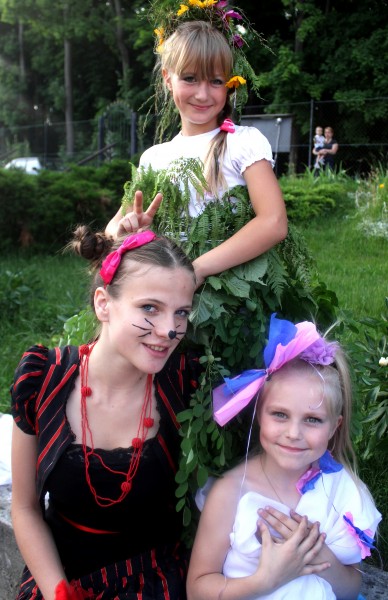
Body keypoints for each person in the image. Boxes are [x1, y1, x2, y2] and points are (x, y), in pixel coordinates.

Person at [10, 228, 202, 599]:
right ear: (103, 304)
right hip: (61, 578)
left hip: (157, 583)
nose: (168, 330)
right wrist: (58, 592)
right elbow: (24, 507)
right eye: (150, 308)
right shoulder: (43, 380)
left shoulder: (186, 382)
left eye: (181, 313)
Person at [187, 314, 381, 600]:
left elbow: (351, 589)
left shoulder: (343, 491)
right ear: (259, 415)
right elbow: (197, 590)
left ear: (334, 427)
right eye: (280, 414)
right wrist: (267, 579)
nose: (293, 433)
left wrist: (317, 555)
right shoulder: (231, 493)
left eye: (313, 420)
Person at [106, 4, 288, 288]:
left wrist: (196, 270)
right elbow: (113, 227)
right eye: (190, 78)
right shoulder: (154, 158)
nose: (203, 94)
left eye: (215, 81)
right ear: (168, 79)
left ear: (228, 84)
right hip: (162, 292)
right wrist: (124, 230)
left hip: (233, 299)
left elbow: (273, 222)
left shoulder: (243, 142)